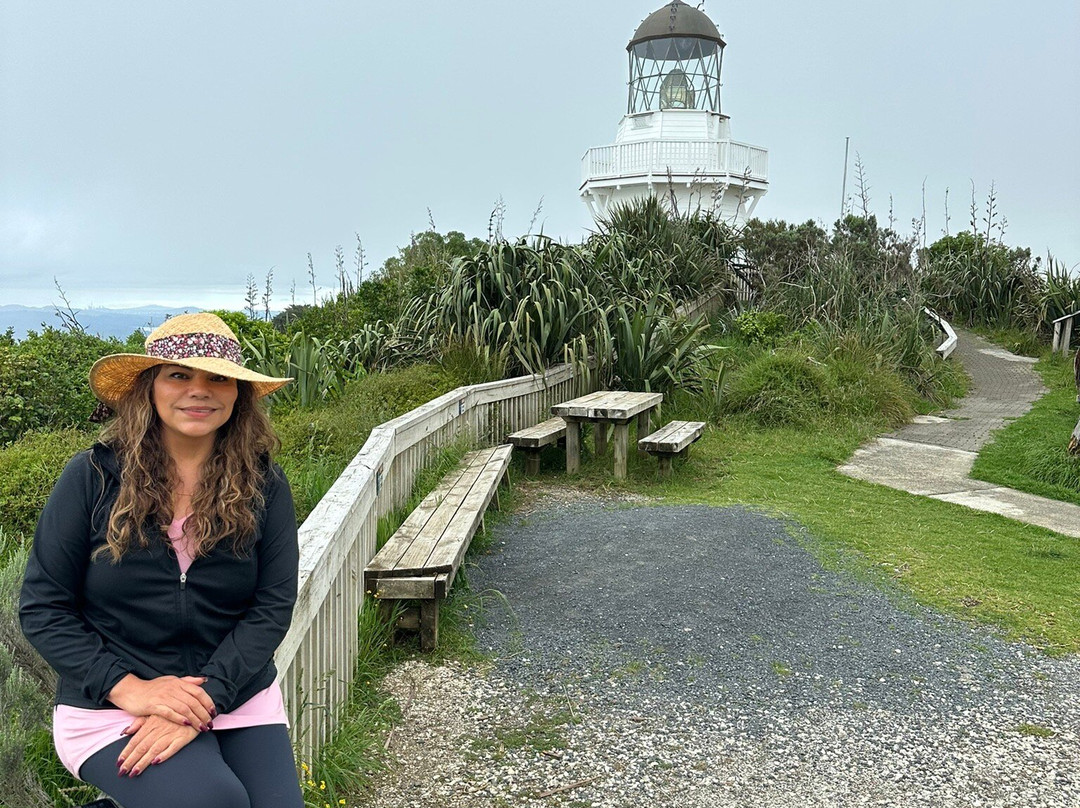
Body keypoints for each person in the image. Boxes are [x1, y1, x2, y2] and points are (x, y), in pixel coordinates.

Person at [20, 313, 304, 808]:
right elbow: (44, 608)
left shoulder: (264, 484)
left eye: (218, 377)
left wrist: (203, 699)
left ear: (238, 393)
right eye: (179, 375)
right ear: (149, 388)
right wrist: (131, 690)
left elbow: (272, 605)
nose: (200, 390)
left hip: (233, 693)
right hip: (112, 702)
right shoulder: (91, 477)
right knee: (213, 799)